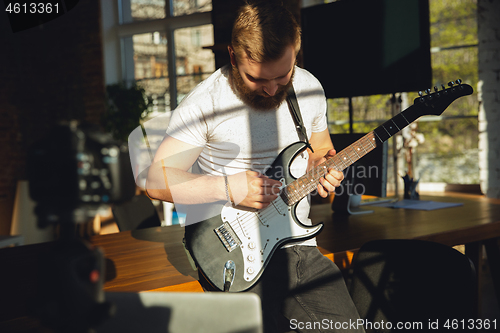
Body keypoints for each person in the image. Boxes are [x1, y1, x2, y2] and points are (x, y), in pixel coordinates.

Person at [146, 1, 364, 332]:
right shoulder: (206, 103)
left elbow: (320, 149)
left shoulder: (308, 88)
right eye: (257, 79)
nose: (272, 89)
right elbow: (155, 180)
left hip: (300, 249)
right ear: (233, 57)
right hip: (232, 252)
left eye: (283, 76)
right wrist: (228, 188)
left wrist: (324, 166)